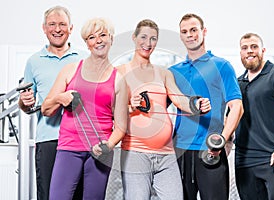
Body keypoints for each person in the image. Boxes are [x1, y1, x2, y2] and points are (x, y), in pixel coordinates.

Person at [117, 19, 211, 200]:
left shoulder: (163, 73)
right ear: (134, 38)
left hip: (166, 154)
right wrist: (130, 106)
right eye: (143, 37)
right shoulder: (120, 72)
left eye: (153, 39)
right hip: (136, 152)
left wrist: (196, 104)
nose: (148, 43)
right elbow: (110, 110)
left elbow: (179, 99)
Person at [41, 17, 128, 200]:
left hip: (100, 151)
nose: (98, 41)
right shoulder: (70, 70)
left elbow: (121, 126)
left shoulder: (119, 79)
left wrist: (108, 145)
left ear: (111, 39)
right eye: (92, 37)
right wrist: (60, 97)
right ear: (87, 43)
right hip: (69, 147)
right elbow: (46, 109)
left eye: (103, 35)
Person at [169, 13, 244, 200]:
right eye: (184, 31)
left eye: (194, 30)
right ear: (180, 36)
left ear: (204, 32)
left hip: (210, 150)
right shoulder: (173, 72)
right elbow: (158, 107)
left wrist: (222, 139)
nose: (190, 35)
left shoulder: (222, 66)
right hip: (180, 151)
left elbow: (237, 107)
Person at [18, 5, 87, 200]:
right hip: (47, 140)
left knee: (78, 195)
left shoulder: (84, 59)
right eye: (52, 24)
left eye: (62, 24)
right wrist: (25, 101)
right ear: (44, 28)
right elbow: (27, 107)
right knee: (47, 195)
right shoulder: (34, 61)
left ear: (71, 28)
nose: (57, 29)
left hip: (78, 140)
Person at [234, 32, 274, 200]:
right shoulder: (238, 83)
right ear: (240, 53)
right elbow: (232, 119)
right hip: (244, 161)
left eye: (254, 47)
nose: (249, 51)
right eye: (245, 48)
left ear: (263, 50)